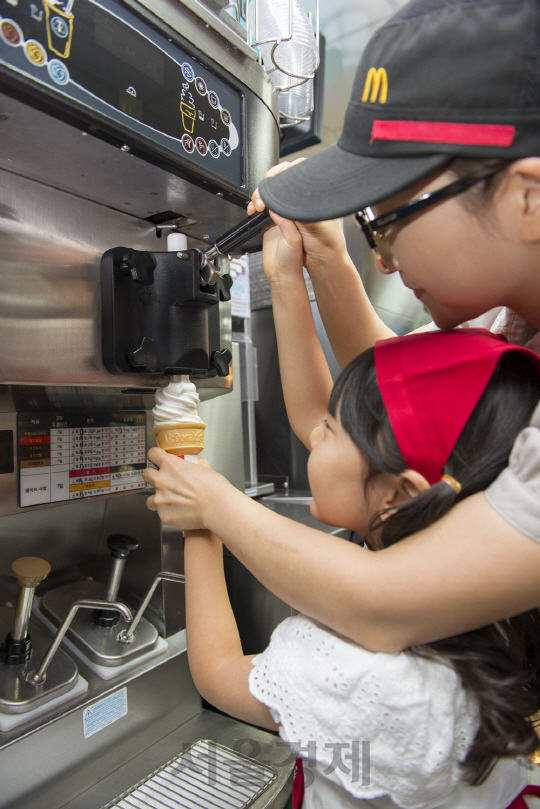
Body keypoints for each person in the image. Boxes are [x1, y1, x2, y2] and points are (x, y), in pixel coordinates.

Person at [143, 0, 540, 657]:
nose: (381, 254)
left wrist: (213, 508)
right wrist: (322, 256)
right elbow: (405, 403)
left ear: (528, 198)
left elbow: (386, 605)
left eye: (389, 213)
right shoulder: (514, 325)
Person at [181, 329, 540, 809]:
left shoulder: (350, 667)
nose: (311, 433)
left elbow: (217, 672)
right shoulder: (499, 597)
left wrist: (198, 523)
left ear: (398, 495)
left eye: (329, 428)